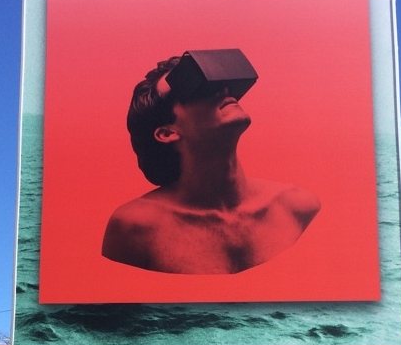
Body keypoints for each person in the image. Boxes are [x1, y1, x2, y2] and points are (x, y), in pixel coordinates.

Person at [101, 53, 320, 274]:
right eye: (194, 86)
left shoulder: (297, 206)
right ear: (167, 132)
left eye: (216, 80)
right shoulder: (135, 227)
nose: (223, 90)